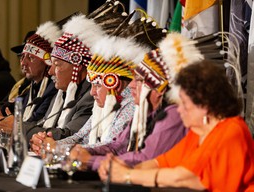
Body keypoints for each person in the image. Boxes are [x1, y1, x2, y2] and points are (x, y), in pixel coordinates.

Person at [99, 60, 254, 191]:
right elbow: (159, 163)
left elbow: (187, 178)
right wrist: (125, 169)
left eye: (184, 104)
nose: (179, 109)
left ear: (205, 104)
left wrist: (127, 175)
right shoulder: (198, 132)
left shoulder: (232, 131)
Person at [68, 33, 204, 171]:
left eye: (139, 80)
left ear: (158, 89)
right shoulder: (147, 113)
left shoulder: (173, 115)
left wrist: (91, 161)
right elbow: (115, 147)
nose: (132, 85)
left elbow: (145, 159)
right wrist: (79, 152)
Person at [26, 2, 131, 143]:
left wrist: (22, 129)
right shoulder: (65, 94)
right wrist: (48, 144)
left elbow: (109, 148)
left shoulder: (120, 105)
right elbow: (79, 138)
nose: (50, 71)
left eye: (57, 64)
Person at [0, 21, 62, 133]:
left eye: (30, 58)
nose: (23, 64)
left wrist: (10, 124)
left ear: (47, 62)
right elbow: (12, 111)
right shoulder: (31, 87)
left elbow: (36, 120)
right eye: (22, 58)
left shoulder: (53, 87)